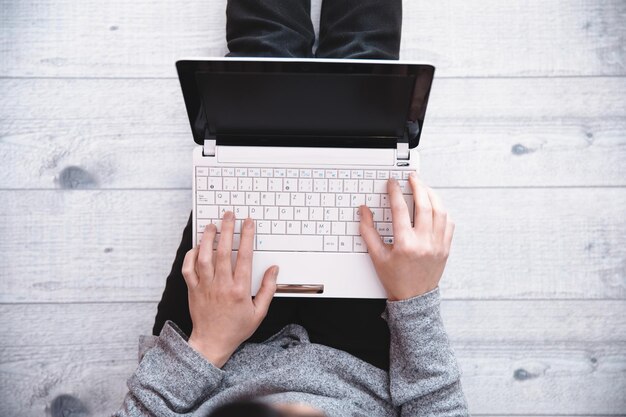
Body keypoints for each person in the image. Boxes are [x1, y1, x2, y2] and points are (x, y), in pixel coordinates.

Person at [114, 1, 469, 416]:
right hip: (368, 368)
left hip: (215, 358)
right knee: (367, 76)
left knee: (258, 73)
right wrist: (415, 300)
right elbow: (438, 404)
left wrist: (208, 343)